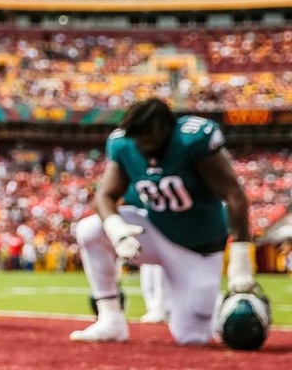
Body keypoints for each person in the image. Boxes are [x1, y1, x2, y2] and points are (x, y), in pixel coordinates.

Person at [72, 99, 257, 345]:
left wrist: (241, 260)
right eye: (140, 137)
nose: (145, 144)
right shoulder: (124, 144)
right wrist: (118, 233)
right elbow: (104, 197)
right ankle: (110, 319)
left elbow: (234, 195)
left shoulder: (192, 141)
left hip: (197, 248)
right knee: (90, 229)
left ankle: (218, 306)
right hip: (156, 232)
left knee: (191, 338)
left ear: (168, 129)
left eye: (151, 136)